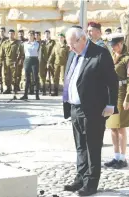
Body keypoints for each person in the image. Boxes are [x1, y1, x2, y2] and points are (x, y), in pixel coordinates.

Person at [63, 26, 118, 196]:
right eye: (68, 45)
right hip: (75, 108)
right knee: (80, 147)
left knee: (92, 147)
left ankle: (91, 183)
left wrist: (111, 105)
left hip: (93, 110)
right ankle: (80, 178)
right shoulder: (73, 53)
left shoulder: (100, 54)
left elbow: (112, 81)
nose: (70, 48)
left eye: (72, 44)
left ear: (82, 39)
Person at [104, 33, 129, 169]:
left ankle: (123, 158)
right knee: (112, 127)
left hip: (122, 94)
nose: (113, 48)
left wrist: (127, 98)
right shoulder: (112, 57)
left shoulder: (127, 59)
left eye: (114, 45)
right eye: (111, 46)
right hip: (111, 94)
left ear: (120, 44)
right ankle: (116, 156)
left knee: (121, 128)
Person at [0, 29, 23, 94]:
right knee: (6, 75)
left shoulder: (18, 42)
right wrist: (0, 61)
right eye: (9, 34)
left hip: (15, 61)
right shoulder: (5, 43)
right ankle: (8, 88)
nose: (11, 35)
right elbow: (1, 53)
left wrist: (20, 60)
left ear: (14, 34)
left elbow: (22, 52)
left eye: (12, 34)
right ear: (8, 34)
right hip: (6, 61)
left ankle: (15, 88)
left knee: (15, 75)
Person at [20, 30, 40, 100]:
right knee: (27, 78)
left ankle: (37, 95)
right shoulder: (24, 44)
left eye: (32, 35)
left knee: (35, 78)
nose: (31, 36)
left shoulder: (37, 44)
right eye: (29, 35)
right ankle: (25, 94)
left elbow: (39, 53)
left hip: (34, 60)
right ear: (27, 36)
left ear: (34, 36)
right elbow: (22, 53)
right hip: (27, 60)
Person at [40, 30, 55, 95]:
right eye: (46, 34)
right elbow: (41, 52)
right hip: (43, 61)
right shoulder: (42, 42)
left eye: (48, 34)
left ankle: (52, 90)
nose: (47, 35)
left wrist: (49, 60)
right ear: (44, 35)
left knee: (52, 75)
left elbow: (53, 51)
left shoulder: (53, 42)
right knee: (43, 76)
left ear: (50, 34)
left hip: (51, 61)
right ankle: (43, 90)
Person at [0, 27, 8, 92]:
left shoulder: (7, 39)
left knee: (4, 73)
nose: (1, 32)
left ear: (4, 32)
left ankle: (5, 86)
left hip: (4, 59)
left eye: (3, 31)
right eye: (0, 31)